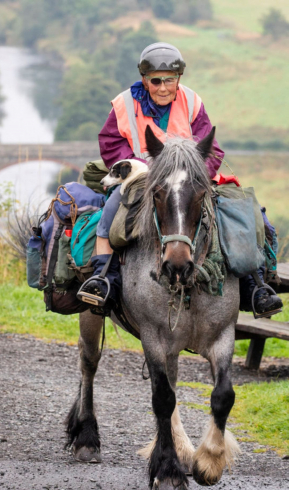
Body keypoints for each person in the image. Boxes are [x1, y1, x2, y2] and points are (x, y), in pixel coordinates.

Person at [79, 42, 283, 317]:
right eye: (156, 81)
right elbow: (111, 143)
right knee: (112, 211)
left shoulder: (192, 101)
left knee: (240, 212)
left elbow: (211, 148)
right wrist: (138, 167)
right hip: (143, 178)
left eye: (170, 80)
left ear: (179, 79)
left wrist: (196, 174)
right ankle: (105, 281)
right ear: (144, 79)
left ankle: (254, 285)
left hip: (188, 178)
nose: (163, 87)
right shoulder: (123, 104)